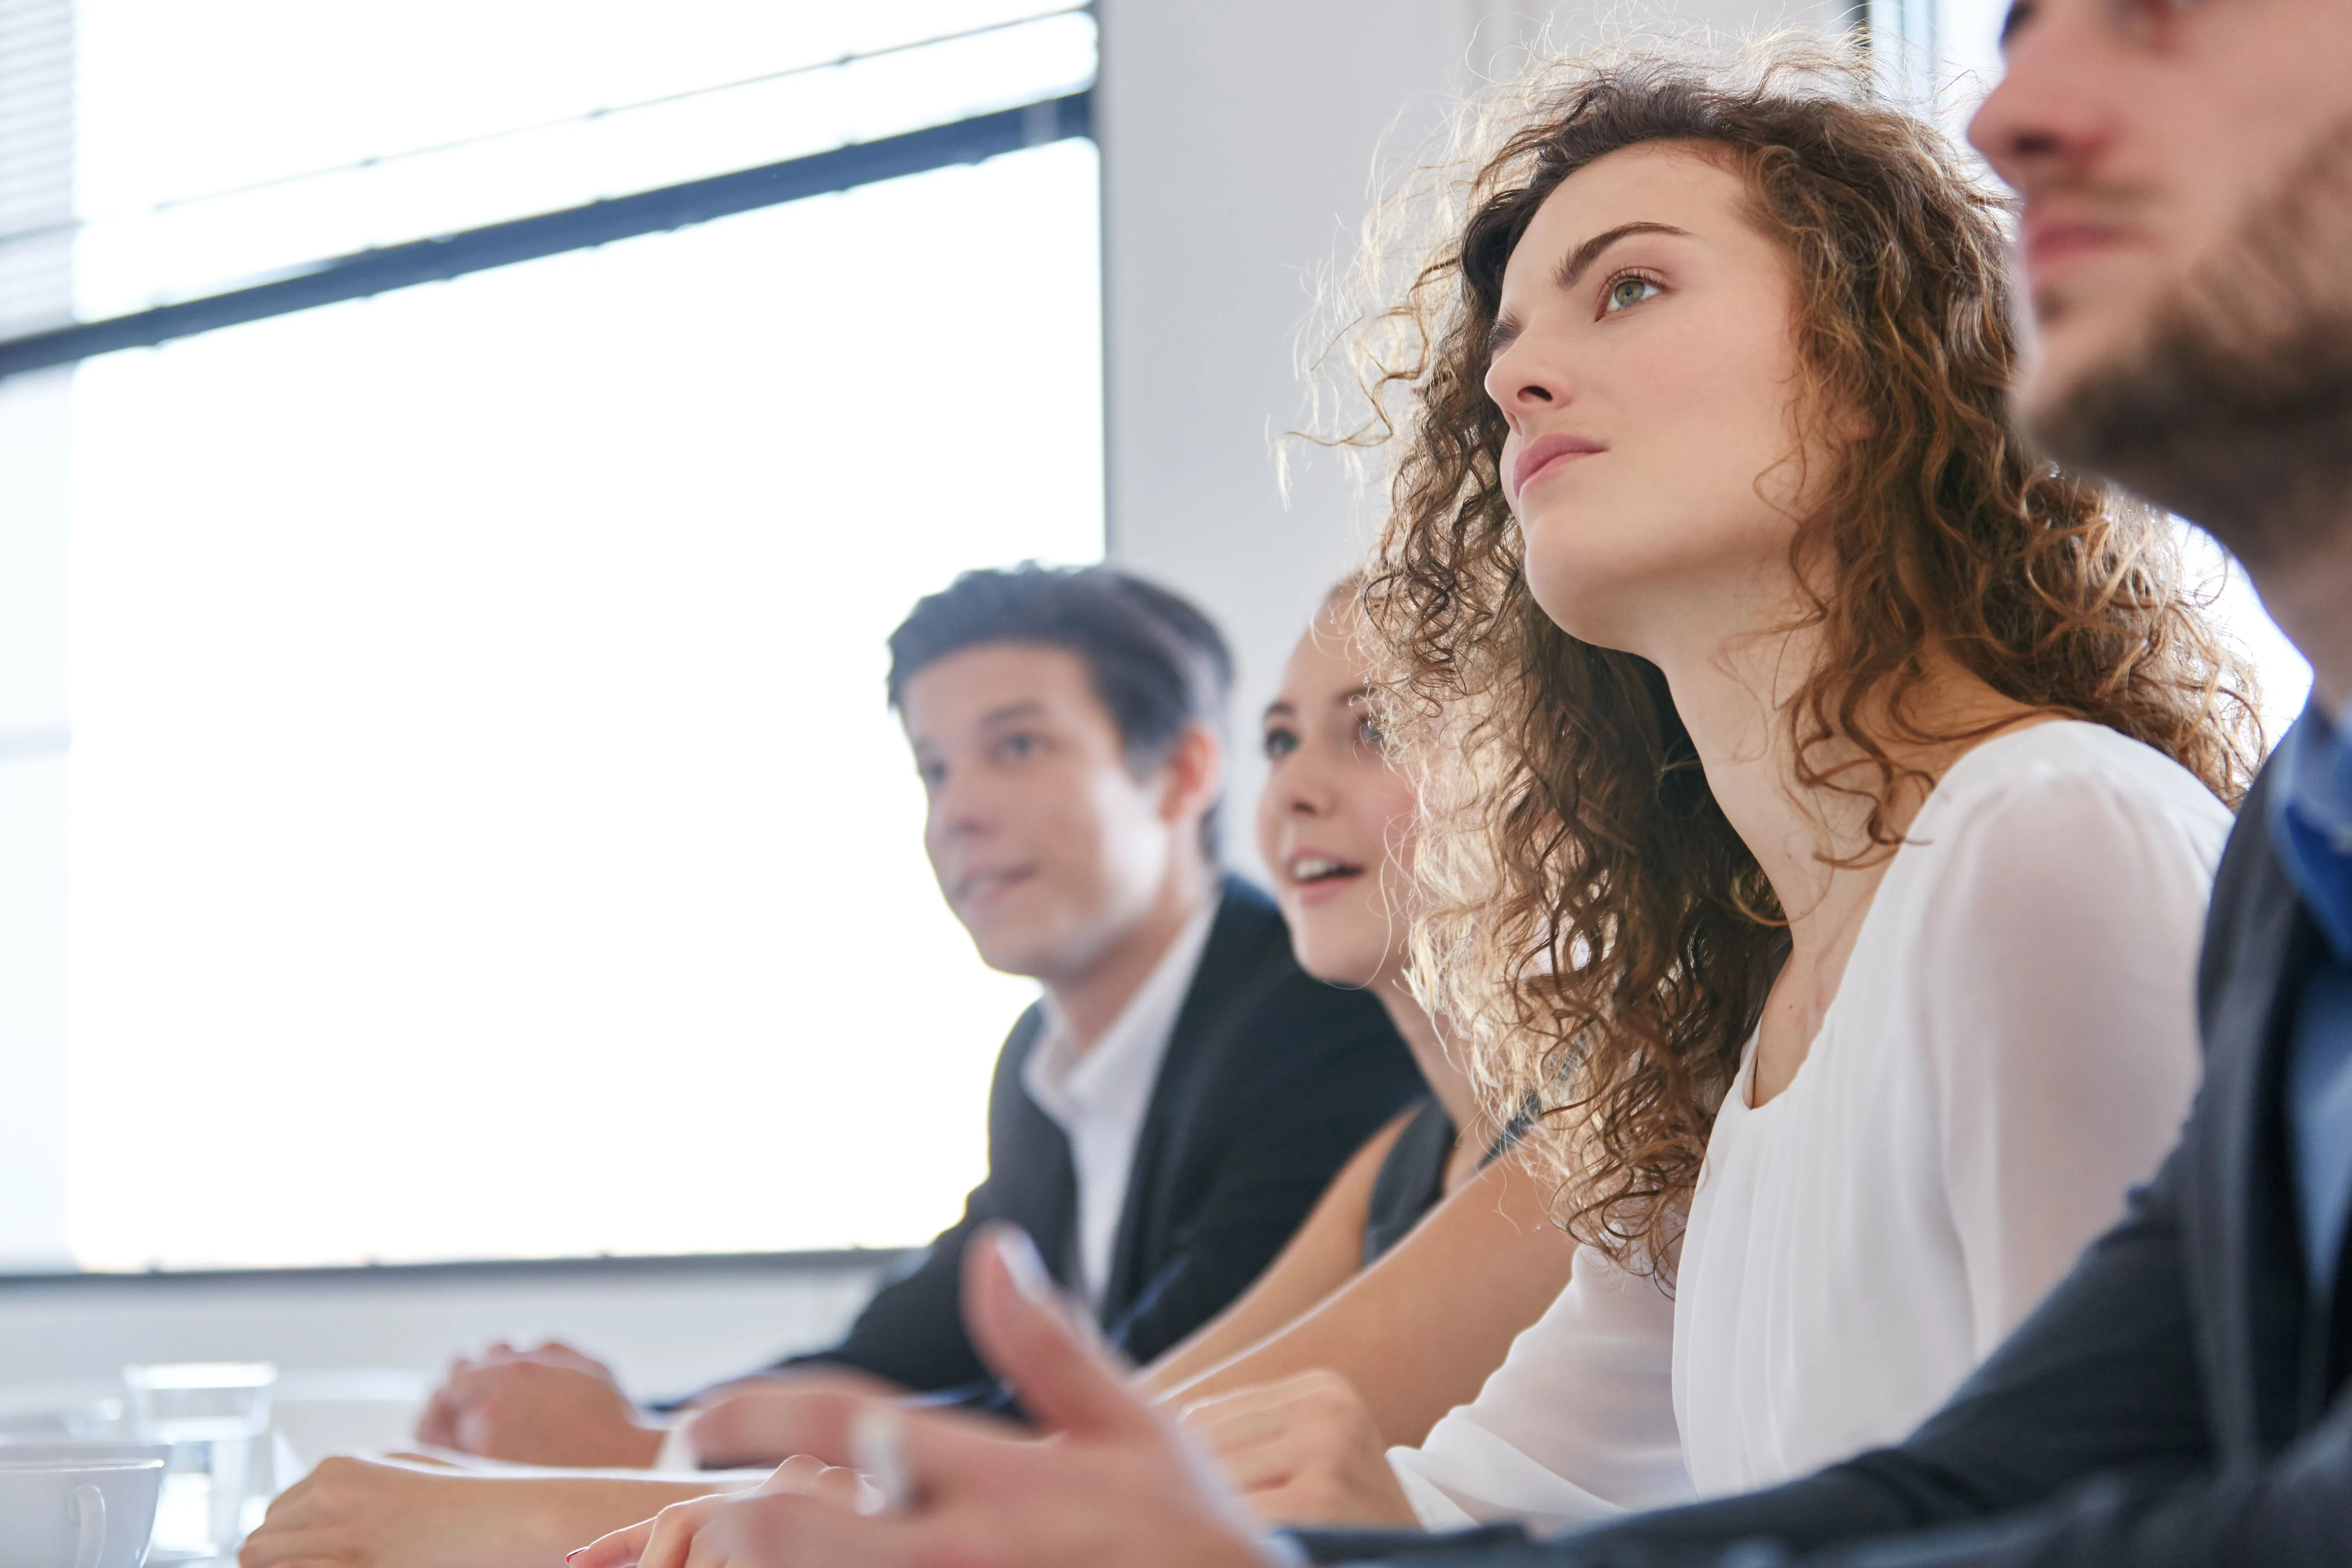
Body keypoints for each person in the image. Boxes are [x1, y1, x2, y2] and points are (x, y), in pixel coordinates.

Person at [568, 0, 2352, 1561]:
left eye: (1629, 287)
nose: (1522, 375)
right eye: (1503, 352)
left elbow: (2097, 1527)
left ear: (1884, 372)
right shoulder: (1754, 1020)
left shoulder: (2043, 833)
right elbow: (1531, 1494)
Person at [404, 564, 1422, 1466]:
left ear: (1186, 772)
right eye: (935, 768)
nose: (959, 812)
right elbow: (903, 1351)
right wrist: (603, 1417)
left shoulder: (1318, 1016)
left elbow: (1129, 1421)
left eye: (1017, 747)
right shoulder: (1042, 1061)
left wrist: (647, 1448)